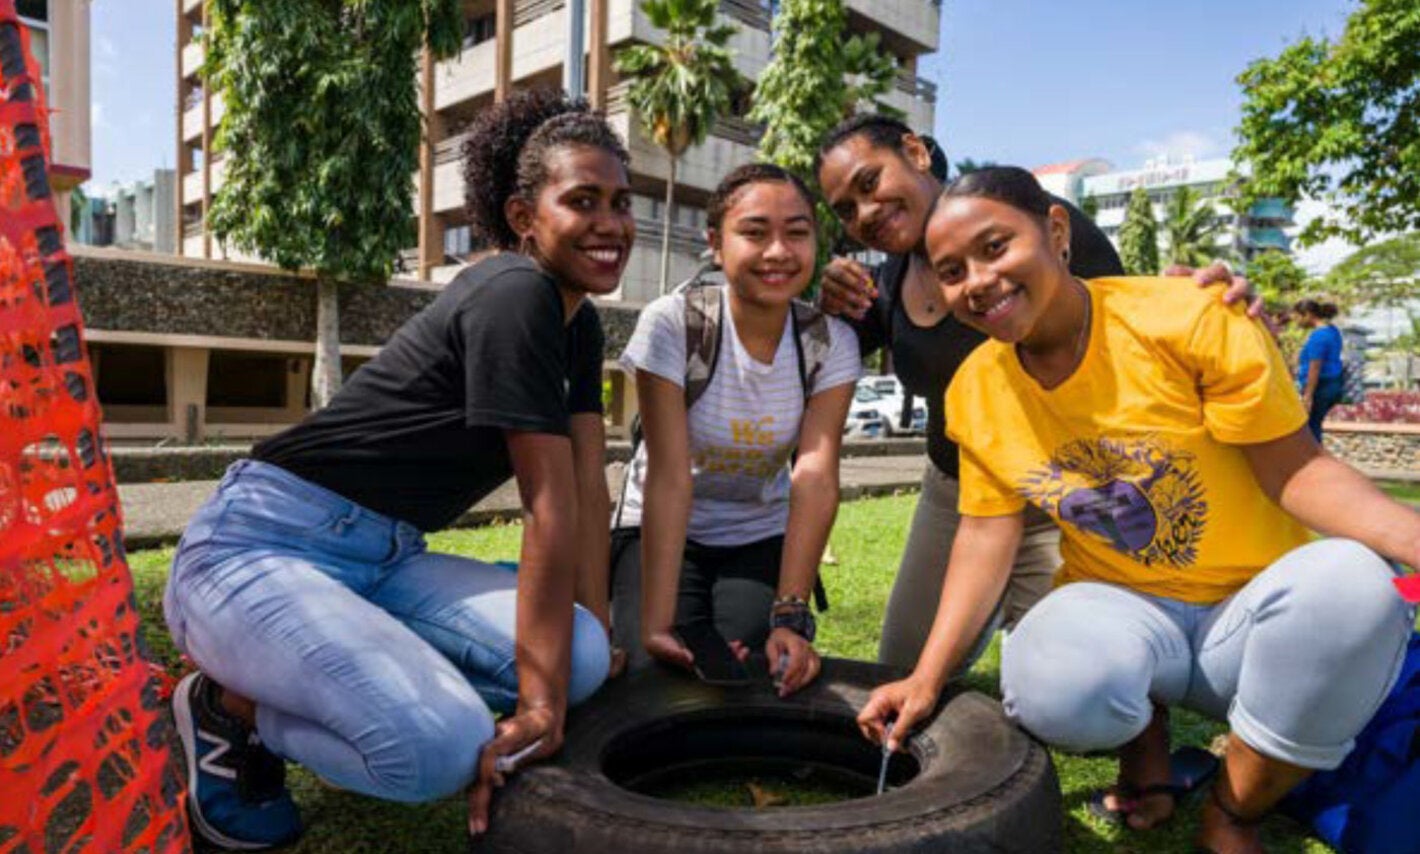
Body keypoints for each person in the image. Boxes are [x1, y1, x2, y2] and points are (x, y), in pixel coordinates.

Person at [857, 167, 1420, 854]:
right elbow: (984, 537)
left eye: (995, 246)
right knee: (1047, 681)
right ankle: (1145, 739)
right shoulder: (976, 388)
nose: (977, 280)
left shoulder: (1188, 315)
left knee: (1359, 584)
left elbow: (1297, 472)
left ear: (1056, 233)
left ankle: (1235, 807)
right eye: (951, 271)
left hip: (1249, 625)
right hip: (1123, 612)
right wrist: (927, 675)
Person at [163, 88, 630, 849]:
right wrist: (540, 705)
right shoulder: (516, 294)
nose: (610, 224)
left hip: (384, 559)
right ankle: (226, 708)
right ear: (523, 216)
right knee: (435, 751)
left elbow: (585, 486)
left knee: (575, 656)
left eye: (620, 201)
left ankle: (390, 681)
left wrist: (596, 647)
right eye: (583, 200)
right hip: (257, 547)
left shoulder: (576, 321)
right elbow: (548, 505)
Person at [813, 114, 1250, 672]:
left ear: (916, 153)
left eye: (869, 183)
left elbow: (1123, 318)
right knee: (901, 669)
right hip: (957, 488)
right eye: (846, 209)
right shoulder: (889, 278)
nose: (865, 213)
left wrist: (1206, 295)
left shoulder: (1031, 221)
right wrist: (831, 304)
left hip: (1058, 489)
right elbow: (832, 355)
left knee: (1080, 684)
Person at [610, 163, 861, 695]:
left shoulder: (829, 342)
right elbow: (669, 476)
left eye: (797, 233)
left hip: (756, 531)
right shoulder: (673, 322)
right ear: (716, 245)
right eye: (754, 232)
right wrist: (655, 622)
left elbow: (814, 473)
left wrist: (790, 617)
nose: (778, 252)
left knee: (745, 667)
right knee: (651, 670)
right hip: (657, 524)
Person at [1293, 297, 1345, 441]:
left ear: (1308, 314)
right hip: (1332, 384)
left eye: (1297, 317)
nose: (1296, 322)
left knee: (1310, 429)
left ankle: (1314, 460)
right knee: (1313, 426)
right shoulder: (1332, 331)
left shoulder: (1319, 336)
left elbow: (1315, 367)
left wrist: (1308, 396)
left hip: (1320, 387)